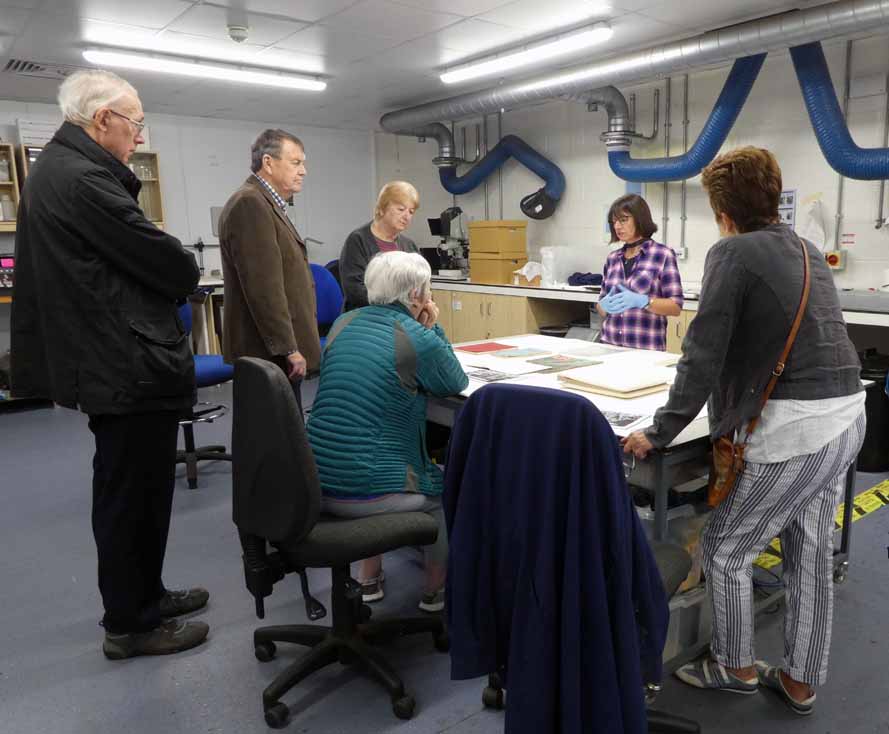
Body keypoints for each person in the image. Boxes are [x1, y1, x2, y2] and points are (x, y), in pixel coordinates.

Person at [622, 147, 864, 715]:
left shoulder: (731, 252)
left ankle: (734, 666)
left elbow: (703, 355)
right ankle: (801, 679)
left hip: (798, 431)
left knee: (727, 549)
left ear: (722, 212)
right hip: (847, 418)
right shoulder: (804, 248)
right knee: (808, 549)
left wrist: (661, 431)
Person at [10, 69, 209, 659]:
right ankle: (131, 624)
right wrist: (179, 261)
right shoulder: (83, 180)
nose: (138, 136)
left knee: (139, 492)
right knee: (130, 498)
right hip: (124, 364)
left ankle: (147, 595)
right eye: (136, 124)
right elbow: (174, 266)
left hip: (112, 358)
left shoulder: (59, 169)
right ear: (102, 120)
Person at [306, 251, 468, 612]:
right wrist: (433, 327)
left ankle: (369, 579)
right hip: (369, 493)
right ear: (416, 295)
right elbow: (454, 381)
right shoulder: (415, 336)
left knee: (369, 451)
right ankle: (435, 594)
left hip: (314, 483)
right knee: (442, 494)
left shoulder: (342, 323)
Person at [219, 129, 320, 412]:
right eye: (296, 162)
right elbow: (264, 288)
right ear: (268, 162)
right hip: (267, 352)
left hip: (272, 350)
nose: (303, 171)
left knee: (284, 429)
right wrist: (289, 348)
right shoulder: (250, 203)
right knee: (274, 431)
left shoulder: (266, 203)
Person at [597, 194, 683, 350]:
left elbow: (675, 306)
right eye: (614, 222)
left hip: (645, 349)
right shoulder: (612, 259)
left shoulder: (662, 254)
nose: (617, 226)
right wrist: (603, 307)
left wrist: (645, 301)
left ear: (639, 218)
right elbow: (601, 305)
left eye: (623, 220)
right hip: (609, 347)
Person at [340, 180, 420, 311]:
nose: (406, 216)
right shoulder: (358, 240)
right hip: (367, 315)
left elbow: (421, 285)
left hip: (402, 315)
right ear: (382, 209)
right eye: (401, 209)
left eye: (411, 212)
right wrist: (396, 306)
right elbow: (355, 290)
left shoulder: (409, 245)